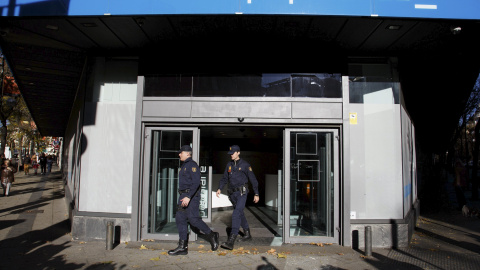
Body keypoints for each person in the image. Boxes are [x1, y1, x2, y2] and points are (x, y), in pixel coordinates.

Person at [168, 145, 219, 256]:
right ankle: (182, 247)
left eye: (181, 152)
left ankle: (211, 235)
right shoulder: (184, 165)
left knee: (193, 219)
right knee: (180, 219)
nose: (179, 154)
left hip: (191, 197)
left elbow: (196, 183)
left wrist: (189, 196)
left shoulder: (192, 165)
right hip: (183, 195)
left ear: (187, 153)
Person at [216, 145, 259, 250]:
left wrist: (256, 193)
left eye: (233, 153)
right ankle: (247, 234)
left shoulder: (245, 165)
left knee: (236, 213)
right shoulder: (229, 165)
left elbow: (253, 179)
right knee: (240, 213)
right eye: (230, 153)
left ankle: (231, 240)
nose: (231, 155)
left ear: (238, 153)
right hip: (232, 194)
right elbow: (224, 178)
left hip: (241, 193)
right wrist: (219, 188)